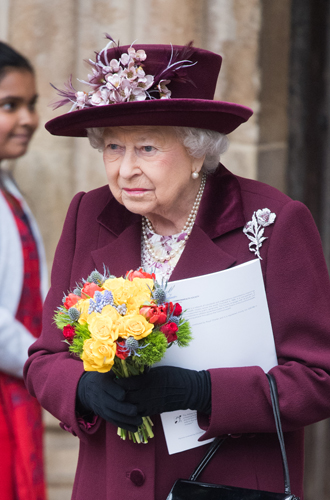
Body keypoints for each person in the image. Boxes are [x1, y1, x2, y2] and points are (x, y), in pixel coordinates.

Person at [24, 35, 330, 500]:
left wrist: (203, 392)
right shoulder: (89, 214)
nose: (124, 170)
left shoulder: (271, 222)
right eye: (112, 148)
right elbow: (44, 359)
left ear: (197, 151)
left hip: (223, 484)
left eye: (146, 148)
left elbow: (318, 379)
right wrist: (83, 389)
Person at [0, 41, 47, 500]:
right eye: (10, 105)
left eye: (30, 104)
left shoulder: (8, 185)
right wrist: (42, 357)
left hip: (18, 383)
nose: (29, 119)